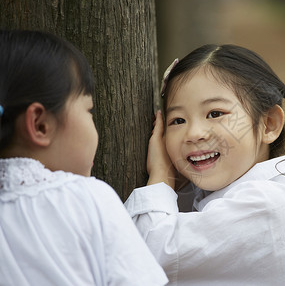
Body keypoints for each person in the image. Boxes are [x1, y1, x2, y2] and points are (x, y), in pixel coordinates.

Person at [125, 44, 285, 285]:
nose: (194, 133)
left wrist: (161, 176)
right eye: (178, 120)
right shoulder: (241, 194)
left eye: (215, 113)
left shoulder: (266, 205)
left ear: (268, 124)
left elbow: (144, 256)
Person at [0, 30, 168, 286]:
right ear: (40, 124)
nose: (93, 122)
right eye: (89, 109)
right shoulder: (87, 198)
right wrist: (161, 180)